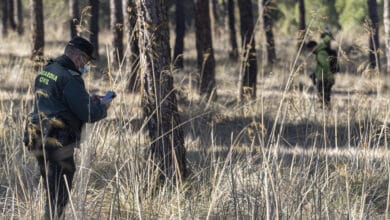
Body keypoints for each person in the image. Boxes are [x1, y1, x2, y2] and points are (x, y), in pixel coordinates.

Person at [25, 36, 114, 219]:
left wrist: (87, 99)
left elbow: (57, 101)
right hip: (57, 141)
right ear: (79, 57)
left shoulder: (48, 70)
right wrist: (103, 105)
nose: (85, 66)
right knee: (60, 191)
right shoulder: (70, 78)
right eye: (86, 61)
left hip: (37, 137)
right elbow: (89, 114)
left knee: (52, 189)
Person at [306, 30, 338, 107]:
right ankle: (325, 110)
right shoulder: (321, 52)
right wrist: (314, 74)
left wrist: (329, 77)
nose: (310, 52)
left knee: (323, 96)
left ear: (313, 47)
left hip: (324, 78)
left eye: (310, 50)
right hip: (323, 77)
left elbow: (325, 65)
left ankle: (326, 110)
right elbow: (320, 66)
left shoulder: (321, 53)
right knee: (324, 97)